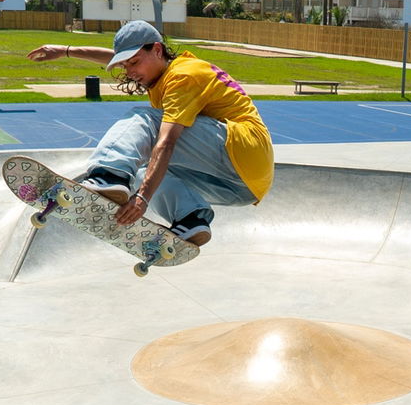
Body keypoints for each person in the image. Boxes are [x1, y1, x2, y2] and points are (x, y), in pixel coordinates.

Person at [26, 20, 273, 246]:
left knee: (146, 119)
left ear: (157, 50)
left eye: (133, 63)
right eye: (125, 65)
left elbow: (166, 143)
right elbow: (119, 57)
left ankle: (108, 174)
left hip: (243, 147)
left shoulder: (183, 76)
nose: (130, 72)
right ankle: (191, 218)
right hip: (243, 186)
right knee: (145, 171)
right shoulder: (159, 68)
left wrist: (142, 198)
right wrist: (65, 50)